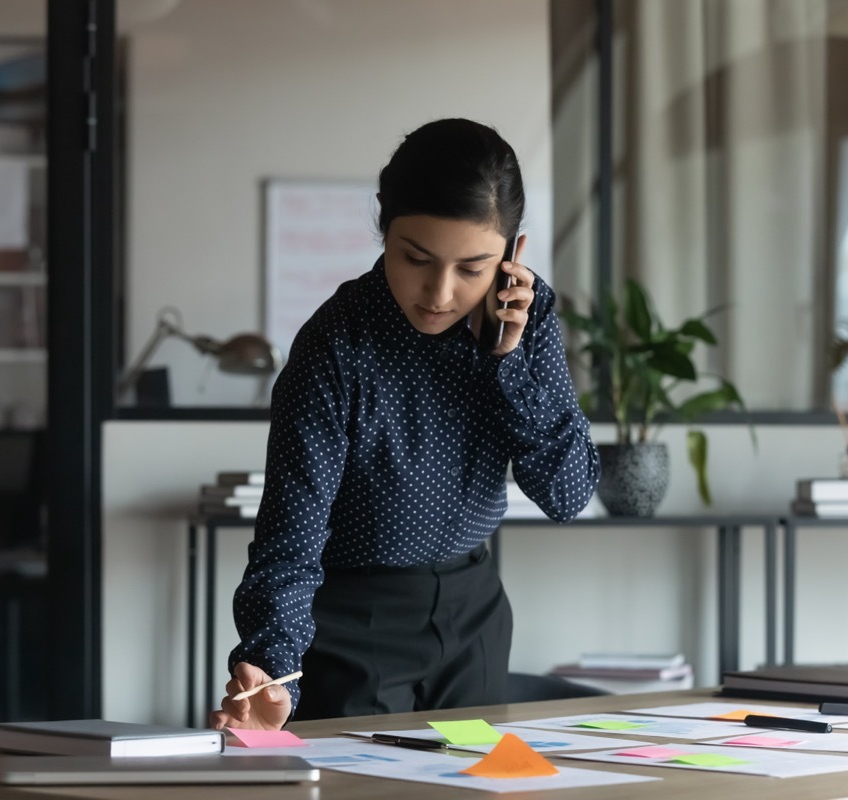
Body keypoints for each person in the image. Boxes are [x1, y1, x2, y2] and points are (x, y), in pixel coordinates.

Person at [210, 118, 600, 731]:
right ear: (383, 226)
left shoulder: (528, 315)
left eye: (473, 268)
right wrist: (271, 663)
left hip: (474, 611)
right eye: (415, 258)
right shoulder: (336, 345)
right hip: (352, 623)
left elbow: (568, 493)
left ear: (512, 251)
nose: (440, 293)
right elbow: (291, 530)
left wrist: (507, 362)